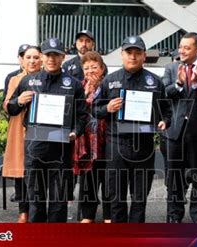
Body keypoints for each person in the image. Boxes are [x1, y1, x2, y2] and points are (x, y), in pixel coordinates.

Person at [7, 38, 88, 223]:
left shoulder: (74, 84)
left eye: (56, 55)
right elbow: (12, 109)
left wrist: (75, 131)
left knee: (59, 201)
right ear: (42, 57)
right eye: (48, 55)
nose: (51, 59)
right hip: (34, 148)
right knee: (36, 199)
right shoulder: (28, 81)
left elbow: (82, 115)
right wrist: (19, 101)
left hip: (61, 149)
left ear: (62, 57)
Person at [93, 36, 171, 223]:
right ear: (122, 55)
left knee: (139, 198)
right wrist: (107, 108)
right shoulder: (110, 81)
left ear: (144, 56)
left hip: (143, 146)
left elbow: (166, 110)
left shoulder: (155, 82)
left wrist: (164, 121)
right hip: (117, 145)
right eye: (129, 52)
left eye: (138, 53)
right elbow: (93, 109)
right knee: (116, 197)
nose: (133, 57)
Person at [161, 32, 197, 223]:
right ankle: (174, 217)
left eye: (187, 47)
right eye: (181, 47)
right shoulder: (171, 68)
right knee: (174, 178)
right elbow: (163, 95)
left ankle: (196, 218)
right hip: (174, 132)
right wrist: (178, 84)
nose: (182, 51)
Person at [2, 45, 42, 223]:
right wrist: (18, 100)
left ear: (41, 59)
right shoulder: (14, 79)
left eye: (36, 57)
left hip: (42, 128)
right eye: (28, 58)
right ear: (22, 60)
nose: (32, 61)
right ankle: (23, 210)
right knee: (21, 170)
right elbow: (7, 105)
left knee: (42, 170)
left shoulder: (47, 78)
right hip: (20, 128)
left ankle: (39, 210)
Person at [72, 51, 111, 223]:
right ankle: (88, 215)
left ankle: (109, 214)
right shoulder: (78, 87)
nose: (90, 71)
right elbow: (74, 112)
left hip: (107, 138)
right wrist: (86, 95)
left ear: (102, 69)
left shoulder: (109, 85)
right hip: (87, 141)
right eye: (86, 68)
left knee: (109, 178)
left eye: (94, 67)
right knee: (89, 178)